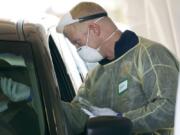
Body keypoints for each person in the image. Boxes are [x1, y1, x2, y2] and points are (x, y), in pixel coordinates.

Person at [56, 2, 180, 135]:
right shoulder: (95, 76)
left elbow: (171, 106)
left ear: (94, 29)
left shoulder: (150, 54)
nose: (78, 50)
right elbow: (78, 115)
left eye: (77, 43)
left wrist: (121, 120)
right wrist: (33, 97)